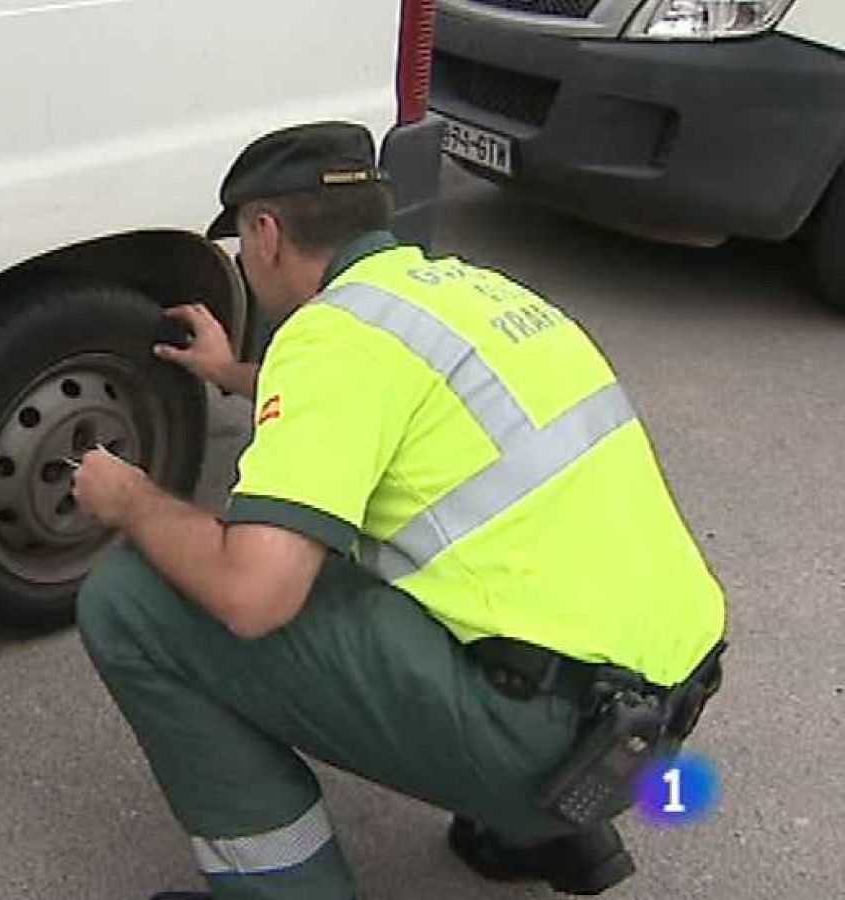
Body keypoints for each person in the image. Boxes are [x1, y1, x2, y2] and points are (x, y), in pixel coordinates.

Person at [70, 122, 726, 900]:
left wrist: (131, 498)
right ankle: (538, 834)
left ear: (267, 234)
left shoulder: (331, 337)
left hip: (545, 740)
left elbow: (253, 595)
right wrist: (234, 372)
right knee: (402, 532)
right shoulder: (470, 294)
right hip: (654, 715)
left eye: (242, 243)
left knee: (132, 597)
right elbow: (376, 399)